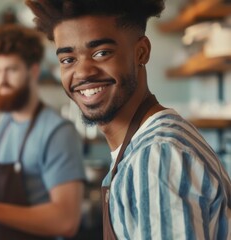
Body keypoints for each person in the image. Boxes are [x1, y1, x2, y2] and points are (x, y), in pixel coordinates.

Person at [26, 0, 231, 239]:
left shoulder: (156, 156)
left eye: (101, 53)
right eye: (68, 59)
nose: (82, 72)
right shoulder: (142, 149)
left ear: (141, 52)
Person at [0, 25, 86, 240]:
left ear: (33, 71)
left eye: (11, 70)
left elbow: (66, 221)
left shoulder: (57, 132)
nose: (2, 80)